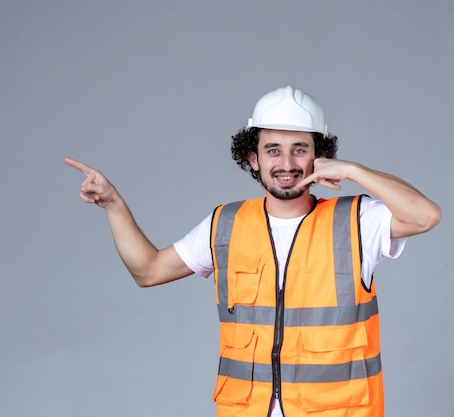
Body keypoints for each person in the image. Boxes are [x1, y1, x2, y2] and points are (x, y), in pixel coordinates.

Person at [64, 86, 441, 417]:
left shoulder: (357, 220)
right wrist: (113, 204)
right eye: (273, 150)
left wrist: (354, 170)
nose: (287, 164)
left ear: (319, 155)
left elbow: (425, 215)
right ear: (253, 159)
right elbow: (147, 271)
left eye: (300, 149)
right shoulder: (225, 225)